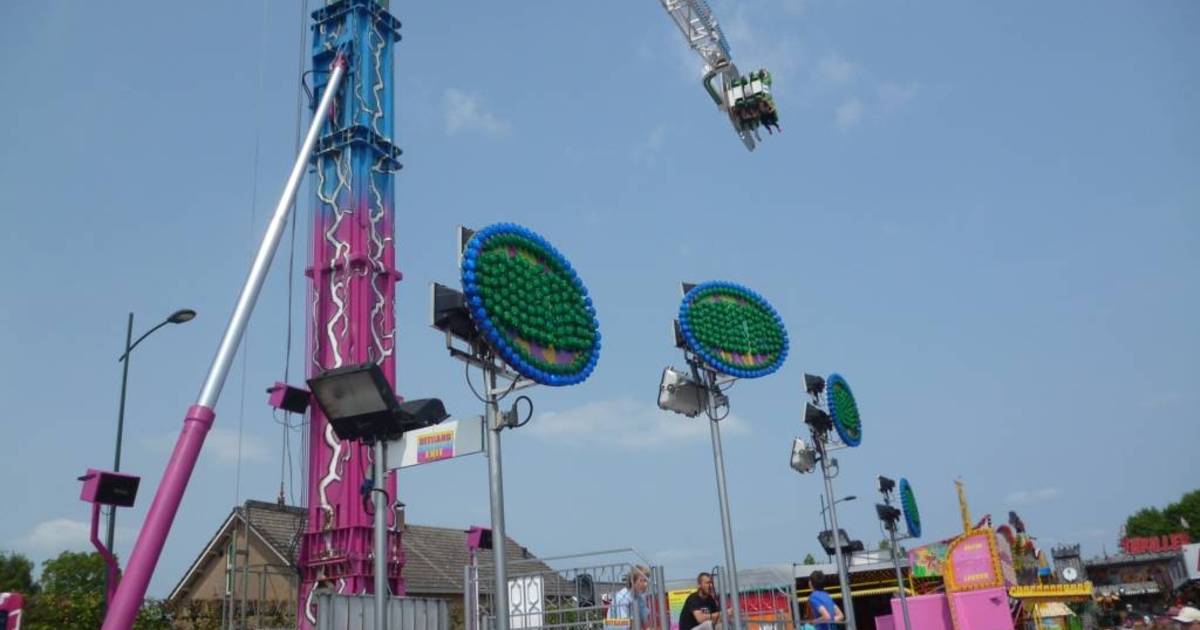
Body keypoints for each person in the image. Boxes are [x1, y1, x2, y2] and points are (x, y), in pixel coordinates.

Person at [607, 565, 652, 629]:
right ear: (632, 581)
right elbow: (625, 624)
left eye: (646, 580)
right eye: (642, 580)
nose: (646, 584)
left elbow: (646, 621)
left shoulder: (639, 598)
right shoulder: (621, 598)